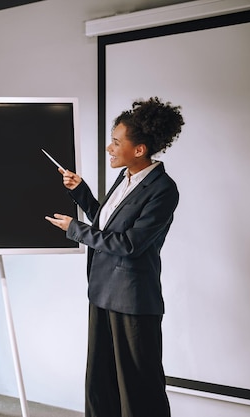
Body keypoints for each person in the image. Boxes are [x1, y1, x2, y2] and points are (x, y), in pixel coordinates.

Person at [45, 97, 184, 417]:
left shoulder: (163, 189)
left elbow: (129, 244)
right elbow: (107, 224)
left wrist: (74, 229)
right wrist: (81, 193)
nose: (110, 148)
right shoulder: (126, 179)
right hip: (103, 292)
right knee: (100, 382)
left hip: (133, 301)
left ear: (139, 150)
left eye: (116, 142)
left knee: (138, 387)